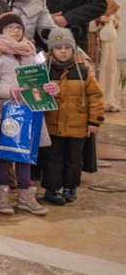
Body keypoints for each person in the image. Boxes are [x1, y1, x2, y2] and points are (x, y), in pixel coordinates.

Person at [0, 12, 56, 216]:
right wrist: (9, 91)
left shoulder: (31, 54)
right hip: (7, 113)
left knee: (26, 155)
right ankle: (2, 193)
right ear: (1, 31)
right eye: (10, 28)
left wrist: (50, 89)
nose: (15, 31)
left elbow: (42, 79)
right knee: (4, 155)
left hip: (30, 112)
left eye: (18, 28)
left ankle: (26, 195)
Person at [41, 28, 104, 206]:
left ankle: (71, 187)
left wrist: (94, 120)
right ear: (51, 50)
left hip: (77, 126)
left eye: (67, 47)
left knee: (74, 160)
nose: (63, 51)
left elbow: (96, 96)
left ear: (74, 49)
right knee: (53, 159)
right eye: (58, 47)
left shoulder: (83, 71)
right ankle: (51, 189)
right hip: (52, 125)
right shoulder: (44, 70)